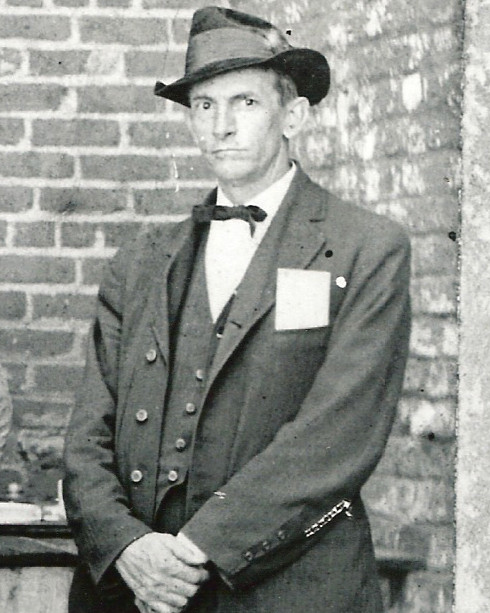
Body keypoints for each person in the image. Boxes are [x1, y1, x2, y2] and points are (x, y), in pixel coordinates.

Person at [63, 6, 411, 613]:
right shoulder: (139, 263)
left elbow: (339, 436)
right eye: (204, 105)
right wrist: (129, 548)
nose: (220, 126)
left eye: (244, 102)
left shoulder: (366, 248)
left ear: (293, 115)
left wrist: (196, 550)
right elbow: (87, 438)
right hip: (136, 592)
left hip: (288, 589)